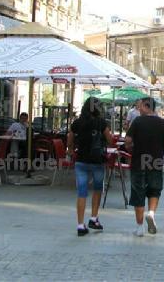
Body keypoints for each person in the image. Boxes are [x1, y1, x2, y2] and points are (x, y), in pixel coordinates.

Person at [67, 97, 112, 236]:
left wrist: (71, 150)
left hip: (81, 161)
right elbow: (110, 140)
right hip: (97, 161)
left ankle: (80, 225)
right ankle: (93, 218)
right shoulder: (101, 123)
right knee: (97, 189)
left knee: (82, 192)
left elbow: (69, 140)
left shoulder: (77, 123)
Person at [125, 97, 164, 237]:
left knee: (138, 193)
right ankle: (151, 213)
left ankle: (140, 228)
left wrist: (130, 148)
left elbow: (127, 140)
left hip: (139, 162)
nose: (139, 109)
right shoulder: (162, 123)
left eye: (140, 107)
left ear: (146, 106)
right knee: (154, 190)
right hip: (156, 162)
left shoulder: (137, 121)